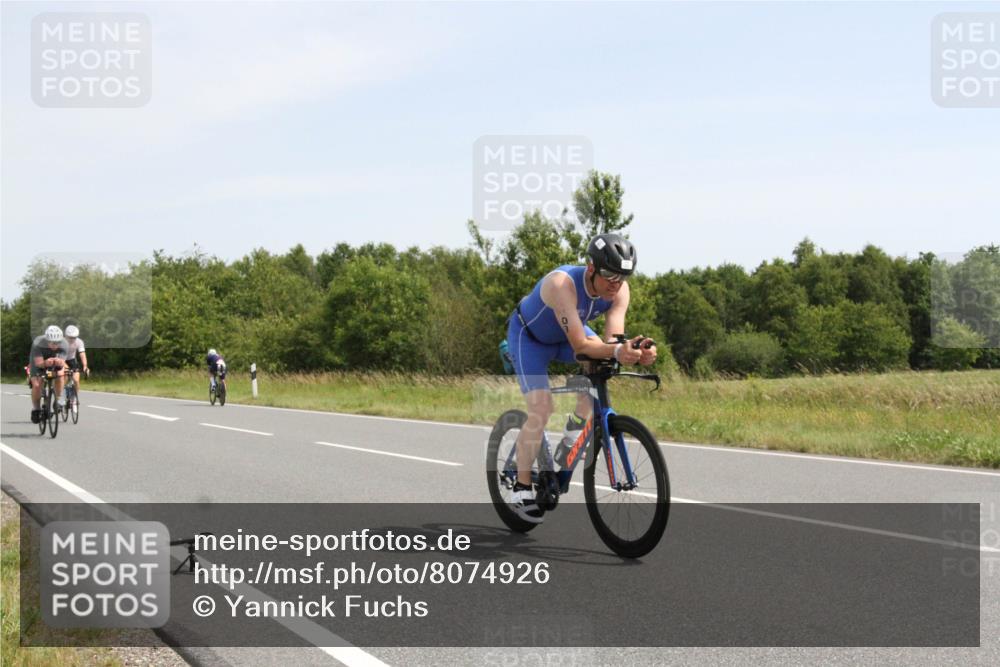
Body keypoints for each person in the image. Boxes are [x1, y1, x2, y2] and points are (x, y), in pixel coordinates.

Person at [505, 233, 657, 523]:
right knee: (541, 408)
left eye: (623, 276)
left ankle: (568, 441)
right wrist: (615, 350)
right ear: (591, 268)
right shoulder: (562, 284)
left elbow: (611, 341)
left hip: (564, 337)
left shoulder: (620, 291)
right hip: (530, 338)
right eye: (610, 275)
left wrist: (635, 352)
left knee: (597, 378)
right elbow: (581, 345)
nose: (616, 283)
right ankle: (522, 485)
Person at [28, 325, 69, 423]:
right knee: (37, 385)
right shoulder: (38, 343)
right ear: (47, 340)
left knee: (61, 374)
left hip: (54, 361)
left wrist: (59, 363)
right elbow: (38, 364)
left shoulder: (64, 344)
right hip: (39, 362)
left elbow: (62, 364)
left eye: (58, 342)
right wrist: (45, 363)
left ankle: (58, 399)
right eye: (53, 343)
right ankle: (36, 409)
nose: (55, 345)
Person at [63, 325, 89, 396]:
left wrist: (85, 366)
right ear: (66, 336)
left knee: (76, 380)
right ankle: (61, 394)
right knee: (64, 376)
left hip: (72, 360)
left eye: (74, 337)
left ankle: (75, 399)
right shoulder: (61, 342)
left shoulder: (79, 342)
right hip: (61, 360)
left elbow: (82, 354)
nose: (72, 340)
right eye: (70, 338)